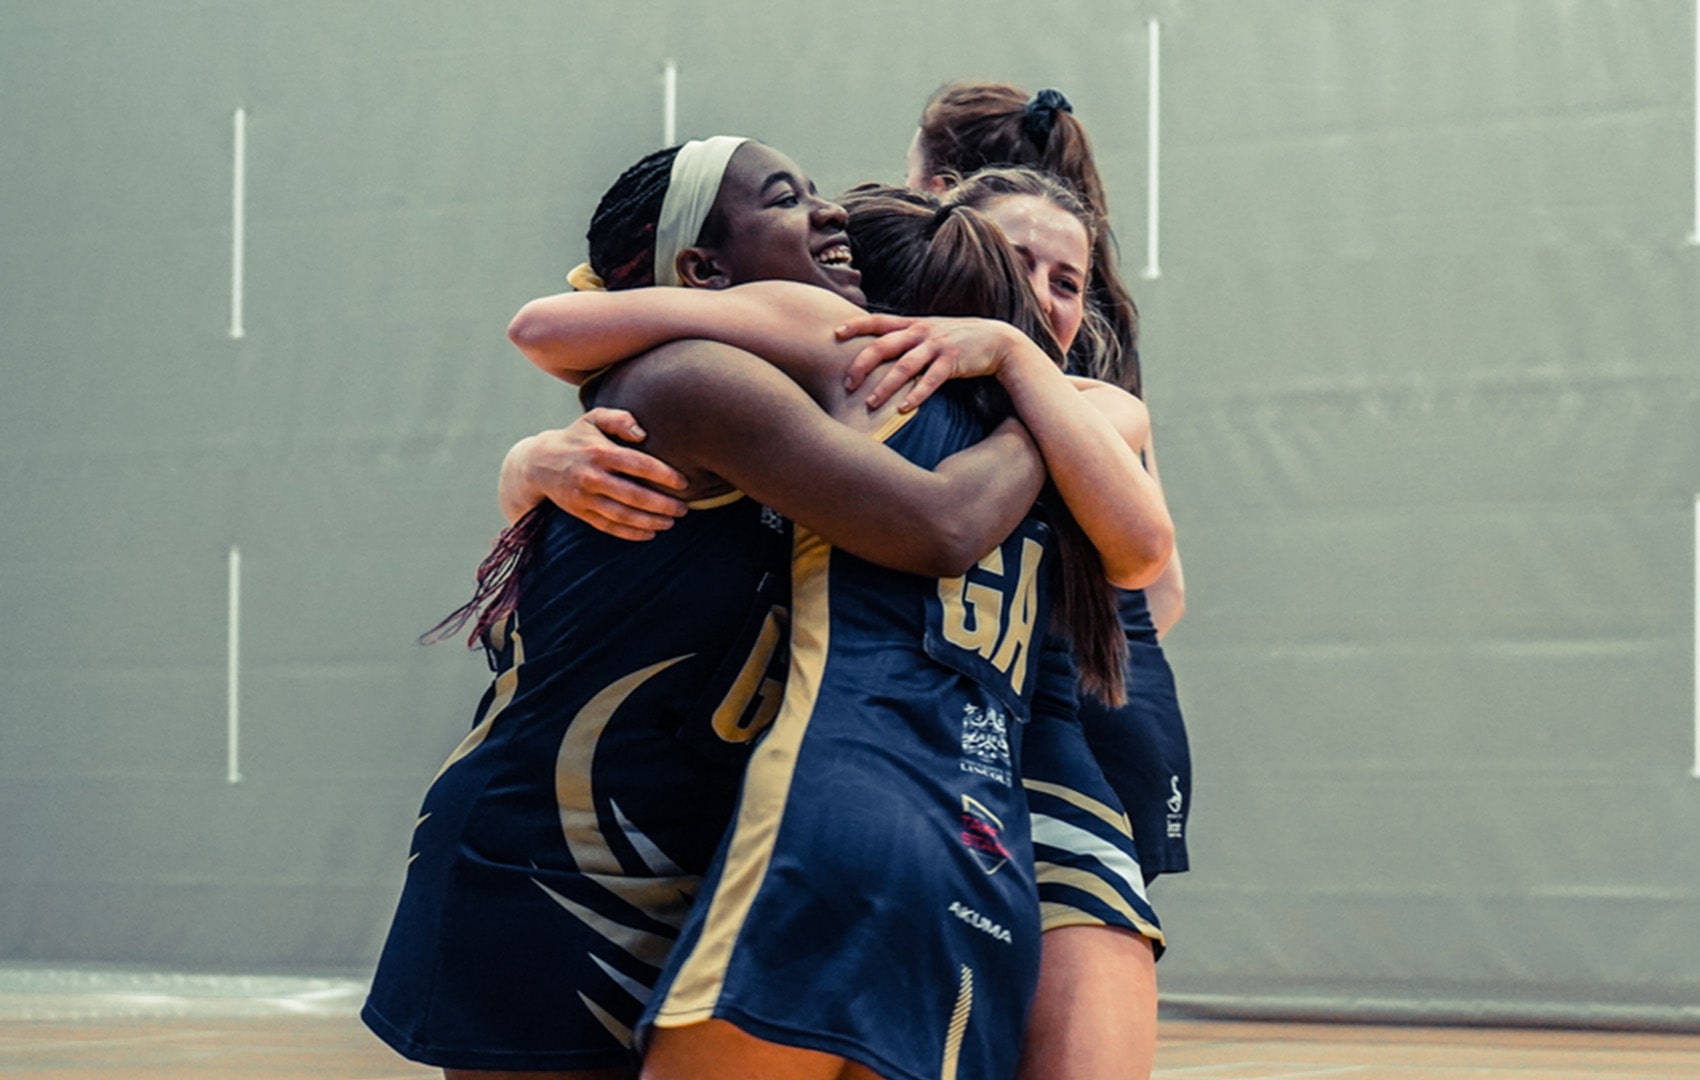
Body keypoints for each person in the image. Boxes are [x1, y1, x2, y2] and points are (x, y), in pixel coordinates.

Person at [362, 137, 1063, 1080]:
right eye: (787, 199)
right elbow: (938, 528)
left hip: (689, 844)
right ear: (703, 272)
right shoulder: (694, 375)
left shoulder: (807, 406)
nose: (832, 215)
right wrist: (1048, 412)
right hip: (554, 847)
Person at [507, 181, 1171, 1080]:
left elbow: (1146, 576)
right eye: (1018, 265)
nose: (1043, 297)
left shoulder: (1037, 399)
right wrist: (532, 463)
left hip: (988, 784)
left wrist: (1015, 360)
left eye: (1069, 281)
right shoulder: (1037, 404)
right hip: (977, 823)